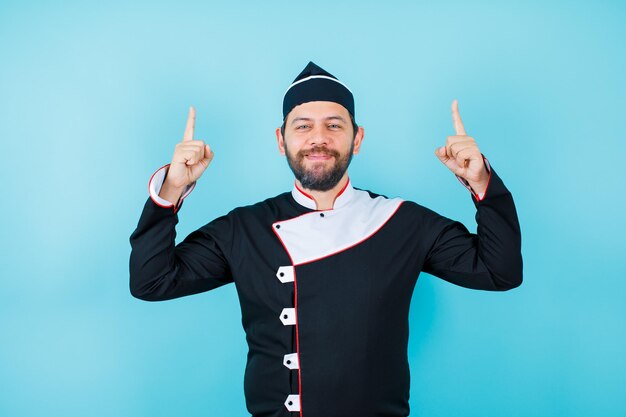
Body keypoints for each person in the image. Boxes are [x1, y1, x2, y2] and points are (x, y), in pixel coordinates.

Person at [129, 61, 523, 417]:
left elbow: (499, 272)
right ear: (282, 141)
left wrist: (480, 181)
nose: (319, 138)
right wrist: (171, 189)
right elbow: (152, 281)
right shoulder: (242, 229)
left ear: (357, 138)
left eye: (335, 125)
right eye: (303, 126)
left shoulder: (403, 222)